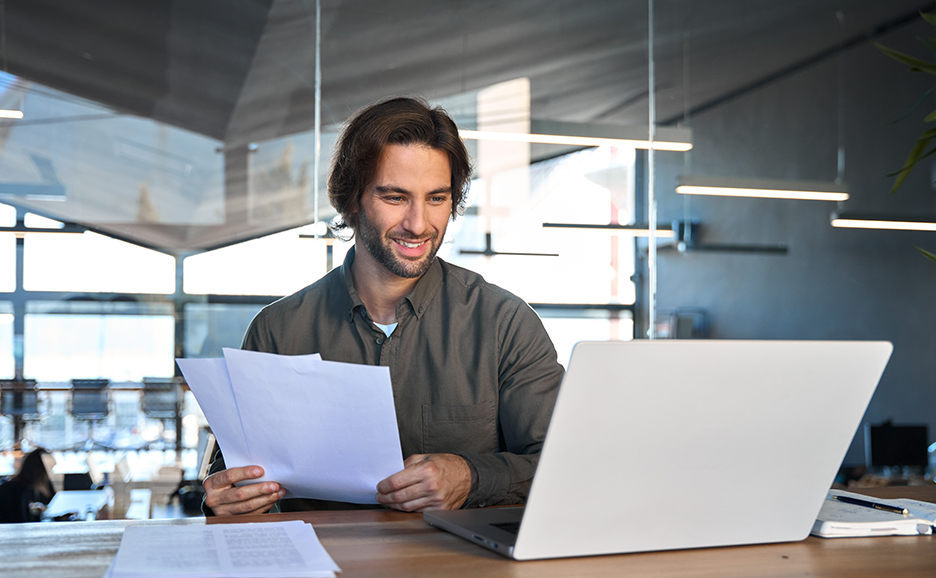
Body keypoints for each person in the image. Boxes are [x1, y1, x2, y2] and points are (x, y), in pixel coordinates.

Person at [203, 97, 564, 516]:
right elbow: (228, 482)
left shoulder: (505, 324)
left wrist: (471, 476)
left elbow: (565, 465)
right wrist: (228, 500)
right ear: (352, 198)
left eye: (437, 198)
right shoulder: (277, 331)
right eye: (395, 198)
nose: (418, 223)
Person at [0, 448, 56, 523]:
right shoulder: (20, 490)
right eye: (50, 469)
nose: (49, 475)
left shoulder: (22, 487)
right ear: (40, 470)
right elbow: (22, 523)